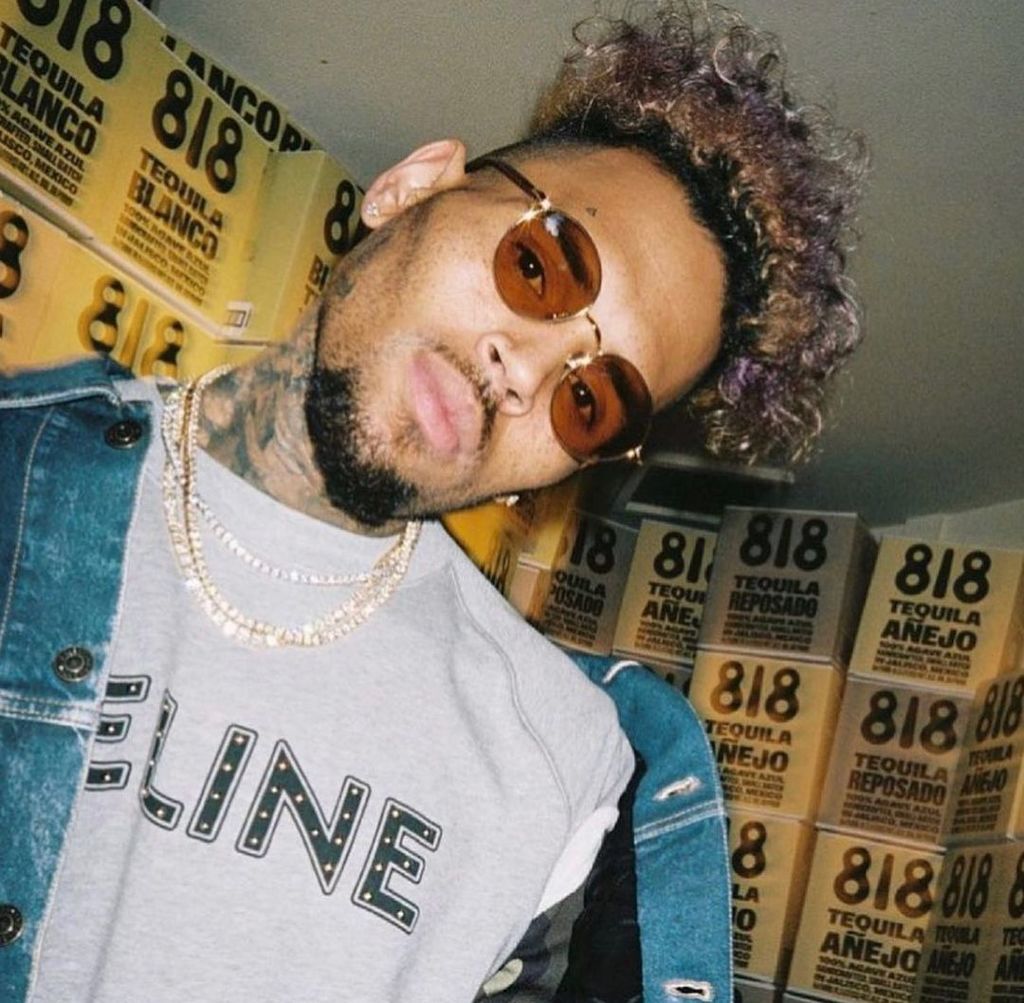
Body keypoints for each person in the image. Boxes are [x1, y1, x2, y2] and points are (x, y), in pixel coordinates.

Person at [0, 3, 864, 1001]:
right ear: (410, 188)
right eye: (540, 266)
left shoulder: (566, 766)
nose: (524, 372)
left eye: (590, 401)